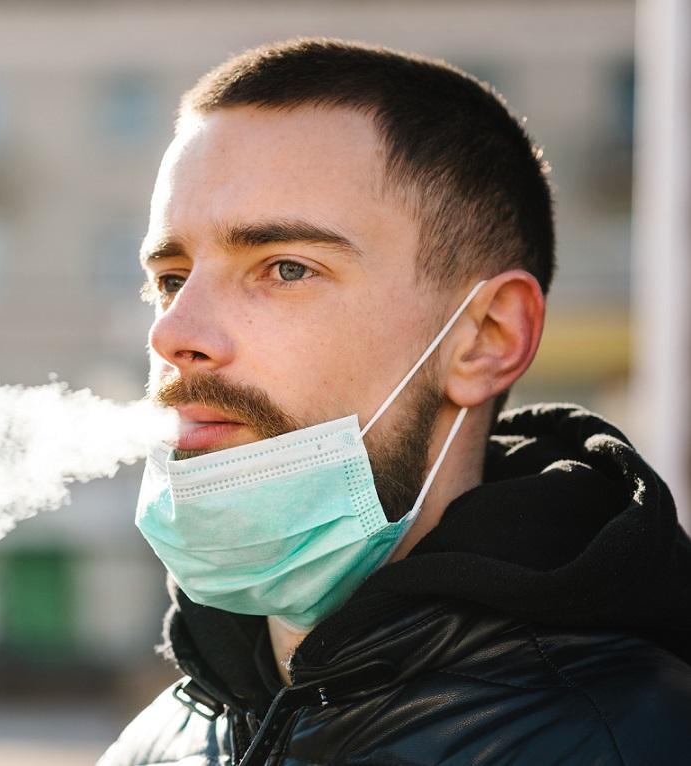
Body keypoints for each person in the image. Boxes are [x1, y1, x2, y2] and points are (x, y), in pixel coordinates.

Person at [99, 38, 691, 766]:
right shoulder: (163, 740)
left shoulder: (637, 740)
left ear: (485, 338)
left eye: (286, 268)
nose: (172, 333)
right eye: (170, 277)